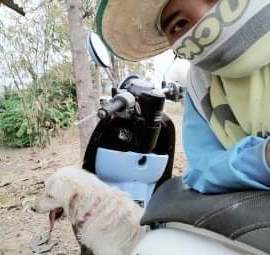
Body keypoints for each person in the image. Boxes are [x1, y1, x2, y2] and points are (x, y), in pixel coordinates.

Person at [96, 0, 270, 193]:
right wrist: (262, 158)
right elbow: (200, 169)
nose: (203, 19)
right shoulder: (200, 85)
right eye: (178, 25)